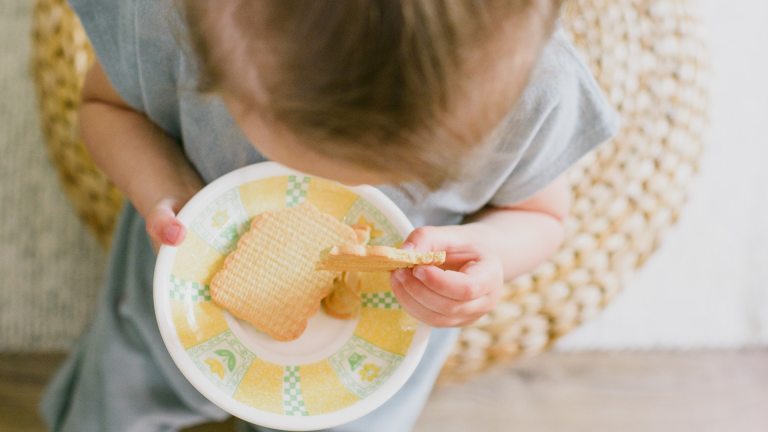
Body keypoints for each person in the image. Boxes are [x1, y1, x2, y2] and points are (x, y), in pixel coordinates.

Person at [41, 1, 618, 431]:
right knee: (115, 398)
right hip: (163, 302)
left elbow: (540, 215)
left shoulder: (527, 95)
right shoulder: (174, 22)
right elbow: (104, 108)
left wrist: (490, 256)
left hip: (369, 357)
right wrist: (163, 187)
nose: (335, 192)